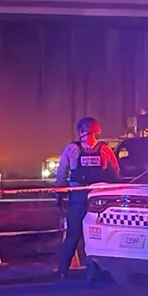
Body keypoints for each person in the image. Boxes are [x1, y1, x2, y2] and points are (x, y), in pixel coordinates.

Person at [55, 117, 120, 281]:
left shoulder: (71, 149)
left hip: (78, 197)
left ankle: (63, 271)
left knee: (73, 234)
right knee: (98, 235)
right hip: (100, 199)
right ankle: (94, 273)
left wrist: (59, 195)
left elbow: (61, 173)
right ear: (97, 130)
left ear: (80, 131)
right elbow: (116, 172)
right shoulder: (105, 149)